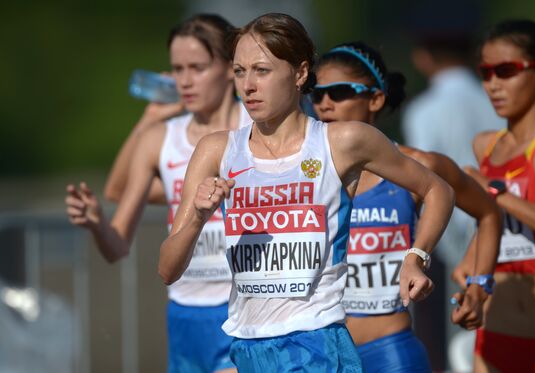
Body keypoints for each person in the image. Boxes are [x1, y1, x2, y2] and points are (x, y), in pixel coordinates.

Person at [159, 13, 455, 372]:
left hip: (316, 343)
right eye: (239, 72)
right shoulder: (216, 150)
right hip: (246, 346)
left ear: (300, 73)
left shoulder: (342, 141)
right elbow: (168, 270)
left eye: (262, 71)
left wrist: (415, 256)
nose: (248, 86)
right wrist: (197, 220)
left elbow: (437, 189)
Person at [65, 14, 252, 373]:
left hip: (243, 308)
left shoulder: (257, 127)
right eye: (177, 69)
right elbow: (116, 245)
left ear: (230, 68)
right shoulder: (160, 138)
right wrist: (97, 224)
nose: (185, 81)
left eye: (197, 67)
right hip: (183, 316)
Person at [312, 42, 501, 372]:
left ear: (375, 99)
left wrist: (478, 284)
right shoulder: (302, 172)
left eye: (339, 92)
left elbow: (488, 213)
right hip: (323, 355)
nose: (325, 103)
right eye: (316, 93)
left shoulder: (419, 165)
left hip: (389, 353)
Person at [461, 19, 535, 373]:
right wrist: (469, 270)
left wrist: (494, 192)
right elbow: (490, 226)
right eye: (485, 73)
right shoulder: (485, 146)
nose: (493, 84)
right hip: (493, 334)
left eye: (506, 70)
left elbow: (495, 199)